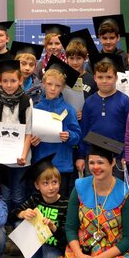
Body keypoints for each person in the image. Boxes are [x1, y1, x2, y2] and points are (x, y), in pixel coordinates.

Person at [9, 155, 68, 258]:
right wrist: (22, 213)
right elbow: (12, 215)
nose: (51, 187)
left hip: (54, 246)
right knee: (19, 223)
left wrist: (53, 227)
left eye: (54, 182)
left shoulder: (66, 203)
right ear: (37, 185)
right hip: (37, 242)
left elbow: (66, 237)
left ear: (59, 182)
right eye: (45, 183)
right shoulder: (35, 199)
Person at [0, 59, 33, 214]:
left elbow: (28, 131)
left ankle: (18, 222)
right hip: (1, 157)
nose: (9, 85)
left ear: (20, 81)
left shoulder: (27, 101)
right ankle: (5, 223)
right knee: (4, 194)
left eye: (13, 81)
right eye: (5, 81)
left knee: (19, 195)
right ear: (0, 82)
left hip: (21, 157)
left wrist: (24, 155)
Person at [31, 56, 81, 196]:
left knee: (61, 199)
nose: (53, 88)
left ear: (63, 87)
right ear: (43, 83)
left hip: (62, 164)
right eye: (49, 84)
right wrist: (32, 142)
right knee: (41, 200)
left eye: (58, 86)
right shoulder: (36, 109)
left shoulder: (69, 110)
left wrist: (69, 136)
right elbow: (29, 136)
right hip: (41, 163)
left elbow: (77, 136)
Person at [75, 54, 129, 176]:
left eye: (109, 77)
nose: (104, 81)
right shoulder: (89, 102)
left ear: (116, 78)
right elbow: (84, 130)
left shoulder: (124, 101)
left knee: (116, 187)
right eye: (100, 77)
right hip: (93, 158)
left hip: (117, 158)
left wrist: (126, 155)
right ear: (95, 78)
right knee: (93, 187)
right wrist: (81, 156)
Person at [10, 41, 44, 106]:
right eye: (23, 64)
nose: (27, 68)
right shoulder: (7, 84)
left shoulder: (39, 88)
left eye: (31, 65)